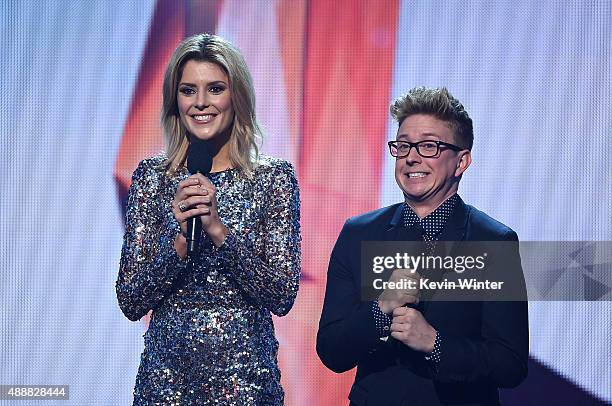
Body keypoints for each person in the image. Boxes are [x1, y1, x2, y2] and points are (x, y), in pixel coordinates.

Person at [116, 33, 301, 405]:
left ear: (237, 97)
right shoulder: (153, 178)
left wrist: (218, 231)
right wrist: (180, 245)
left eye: (215, 88)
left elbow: (281, 295)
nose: (201, 103)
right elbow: (131, 299)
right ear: (175, 100)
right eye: (188, 90)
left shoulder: (272, 179)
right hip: (165, 388)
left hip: (246, 387)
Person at [317, 87, 528, 405]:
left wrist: (435, 344)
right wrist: (380, 310)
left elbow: (510, 365)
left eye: (429, 146)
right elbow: (332, 350)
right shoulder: (359, 233)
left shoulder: (493, 242)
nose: (411, 157)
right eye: (403, 146)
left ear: (461, 162)